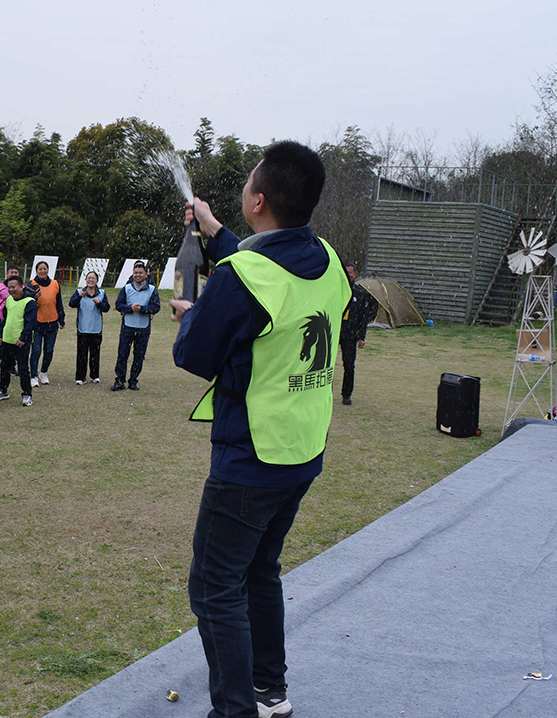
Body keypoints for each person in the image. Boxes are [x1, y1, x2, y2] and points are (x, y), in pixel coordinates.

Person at [170, 140, 350, 718]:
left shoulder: (241, 277)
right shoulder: (327, 257)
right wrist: (213, 228)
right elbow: (273, 273)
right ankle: (270, 692)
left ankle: (236, 710)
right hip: (301, 450)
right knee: (258, 571)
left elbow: (195, 353)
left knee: (214, 587)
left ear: (258, 201)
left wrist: (194, 316)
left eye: (250, 180)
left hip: (250, 458)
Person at [112, 261, 160, 391]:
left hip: (143, 328)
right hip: (127, 327)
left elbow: (156, 307)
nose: (138, 275)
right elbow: (118, 305)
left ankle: (133, 381)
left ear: (145, 275)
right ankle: (119, 380)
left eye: (140, 273)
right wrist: (129, 308)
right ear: (132, 274)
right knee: (122, 355)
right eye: (136, 273)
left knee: (139, 356)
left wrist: (143, 309)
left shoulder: (152, 290)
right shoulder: (126, 288)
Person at [0, 276, 36, 407]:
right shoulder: (9, 300)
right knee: (4, 367)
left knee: (22, 369)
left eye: (13, 287)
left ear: (21, 287)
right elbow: (4, 320)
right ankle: (3, 390)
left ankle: (27, 394)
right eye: (9, 287)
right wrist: (1, 336)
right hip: (7, 340)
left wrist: (23, 338)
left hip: (20, 342)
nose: (11, 290)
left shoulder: (30, 302)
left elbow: (30, 323)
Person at [338, 262, 379, 406]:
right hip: (334, 332)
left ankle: (346, 394)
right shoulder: (335, 290)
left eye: (351, 272)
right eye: (346, 272)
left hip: (350, 334)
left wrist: (362, 337)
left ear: (354, 274)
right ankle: (324, 393)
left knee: (349, 365)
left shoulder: (360, 293)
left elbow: (363, 317)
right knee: (326, 365)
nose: (349, 275)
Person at [27, 261, 64, 387]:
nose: (42, 271)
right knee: (36, 351)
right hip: (37, 323)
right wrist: (35, 297)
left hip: (52, 322)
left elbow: (59, 302)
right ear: (36, 271)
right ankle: (33, 376)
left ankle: (43, 372)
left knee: (49, 350)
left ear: (48, 270)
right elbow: (27, 302)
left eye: (45, 269)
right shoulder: (31, 284)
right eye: (40, 269)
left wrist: (61, 319)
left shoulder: (55, 284)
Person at [69, 270, 110, 384]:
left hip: (96, 329)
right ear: (86, 280)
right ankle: (80, 377)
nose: (90, 280)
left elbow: (106, 308)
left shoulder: (102, 293)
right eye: (88, 278)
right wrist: (79, 297)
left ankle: (94, 375)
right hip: (83, 328)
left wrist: (99, 303)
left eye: (93, 278)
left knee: (95, 354)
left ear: (97, 281)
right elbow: (71, 304)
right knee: (81, 355)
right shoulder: (79, 292)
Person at [0, 265, 21, 379]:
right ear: (7, 274)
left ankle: (12, 367)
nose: (13, 274)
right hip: (2, 320)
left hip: (15, 321)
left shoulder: (21, 288)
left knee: (14, 344)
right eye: (11, 272)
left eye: (16, 272)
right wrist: (0, 312)